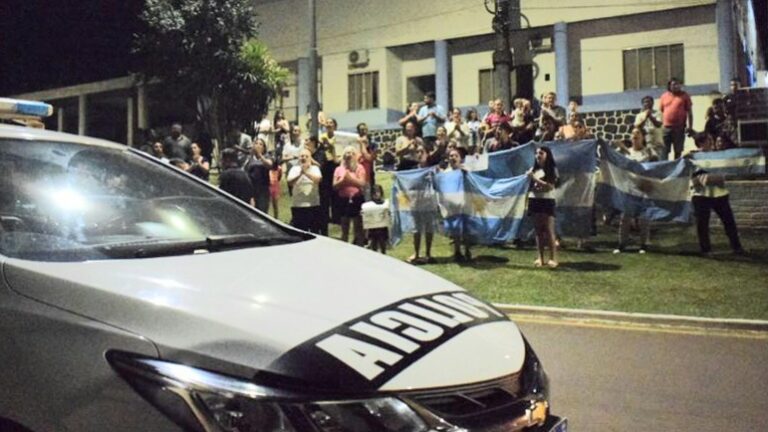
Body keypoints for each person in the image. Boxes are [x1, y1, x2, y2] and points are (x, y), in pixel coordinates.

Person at [687, 133, 745, 256]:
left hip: (719, 193)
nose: (712, 142)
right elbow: (691, 179)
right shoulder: (692, 158)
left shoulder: (718, 157)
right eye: (709, 140)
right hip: (701, 195)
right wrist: (702, 179)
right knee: (702, 224)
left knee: (729, 222)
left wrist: (714, 178)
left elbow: (724, 176)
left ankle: (737, 247)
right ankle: (706, 249)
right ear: (701, 143)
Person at [612, 128, 654, 254]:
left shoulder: (648, 152)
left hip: (643, 188)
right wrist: (620, 148)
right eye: (633, 133)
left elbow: (653, 163)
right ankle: (622, 244)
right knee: (625, 217)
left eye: (638, 133)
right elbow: (614, 159)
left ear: (643, 137)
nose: (635, 135)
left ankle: (644, 244)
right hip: (629, 188)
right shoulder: (626, 152)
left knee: (643, 218)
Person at [527, 146, 559, 268]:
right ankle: (540, 258)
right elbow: (530, 185)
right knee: (538, 231)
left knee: (549, 230)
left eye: (541, 153)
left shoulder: (552, 169)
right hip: (535, 200)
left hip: (547, 200)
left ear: (547, 155)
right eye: (536, 153)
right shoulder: (533, 169)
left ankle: (553, 258)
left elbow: (550, 186)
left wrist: (535, 179)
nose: (538, 155)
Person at [406, 144, 438, 265]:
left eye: (421, 151)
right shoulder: (413, 170)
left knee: (429, 228)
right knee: (416, 229)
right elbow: (408, 185)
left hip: (428, 201)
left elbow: (437, 182)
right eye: (417, 152)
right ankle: (416, 252)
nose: (419, 154)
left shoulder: (432, 169)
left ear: (426, 153)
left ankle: (428, 253)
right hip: (416, 202)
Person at [333, 146, 367, 245]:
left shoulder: (360, 167)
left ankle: (360, 247)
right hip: (343, 200)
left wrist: (350, 180)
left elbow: (362, 183)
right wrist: (343, 181)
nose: (349, 155)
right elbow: (334, 186)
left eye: (352, 153)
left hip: (357, 199)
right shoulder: (338, 169)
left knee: (358, 228)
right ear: (344, 156)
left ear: (355, 156)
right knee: (344, 228)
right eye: (347, 153)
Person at [443, 148, 472, 262]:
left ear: (460, 158)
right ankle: (457, 251)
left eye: (455, 156)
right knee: (455, 229)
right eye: (451, 156)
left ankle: (467, 251)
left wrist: (466, 173)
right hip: (452, 205)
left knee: (466, 228)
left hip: (465, 202)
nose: (453, 158)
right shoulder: (446, 173)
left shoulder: (465, 170)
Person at [287, 149, 323, 234]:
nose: (304, 158)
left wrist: (306, 173)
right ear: (299, 158)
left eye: (306, 156)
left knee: (315, 231)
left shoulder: (315, 169)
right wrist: (300, 174)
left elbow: (318, 180)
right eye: (302, 156)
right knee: (299, 232)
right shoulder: (294, 169)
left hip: (313, 205)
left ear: (310, 158)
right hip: (298, 206)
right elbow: (289, 182)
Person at [659, 78, 693, 160]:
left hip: (679, 128)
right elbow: (661, 112)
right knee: (664, 150)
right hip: (666, 128)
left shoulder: (684, 96)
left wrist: (690, 126)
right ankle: (664, 168)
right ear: (669, 86)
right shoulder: (664, 96)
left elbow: (689, 112)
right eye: (674, 84)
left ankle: (677, 169)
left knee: (678, 151)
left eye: (678, 84)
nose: (676, 86)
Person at [243, 138, 273, 213]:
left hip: (263, 190)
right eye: (256, 143)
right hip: (251, 189)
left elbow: (269, 165)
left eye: (260, 144)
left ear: (264, 148)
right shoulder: (249, 158)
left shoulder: (267, 156)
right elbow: (245, 171)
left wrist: (260, 155)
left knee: (262, 212)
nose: (258, 146)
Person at [366, 184, 389, 254]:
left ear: (381, 193)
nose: (376, 194)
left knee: (382, 243)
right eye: (374, 192)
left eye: (378, 192)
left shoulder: (385, 203)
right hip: (373, 228)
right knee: (374, 243)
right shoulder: (368, 205)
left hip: (382, 228)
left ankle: (384, 255)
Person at [282, 123, 304, 195]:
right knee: (292, 194)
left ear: (300, 132)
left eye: (297, 131)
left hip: (302, 172)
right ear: (291, 132)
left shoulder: (304, 144)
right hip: (290, 172)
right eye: (294, 131)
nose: (296, 132)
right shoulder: (287, 145)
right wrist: (291, 157)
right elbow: (283, 158)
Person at [357, 122, 377, 192]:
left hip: (369, 172)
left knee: (369, 192)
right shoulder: (355, 143)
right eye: (361, 130)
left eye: (364, 129)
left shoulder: (372, 144)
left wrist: (362, 144)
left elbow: (370, 158)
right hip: (357, 172)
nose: (363, 131)